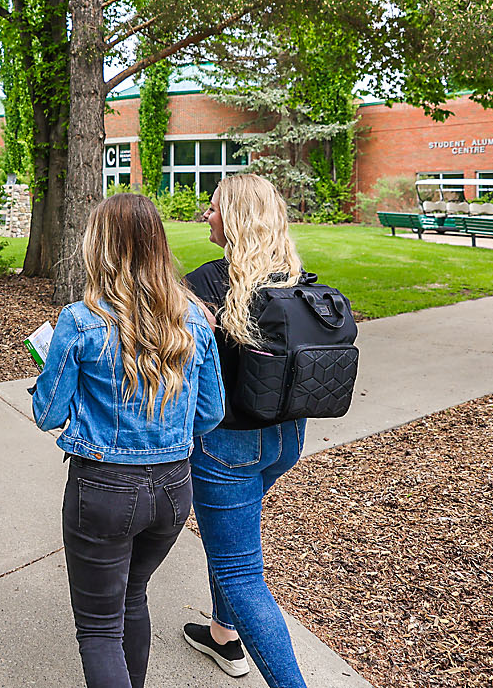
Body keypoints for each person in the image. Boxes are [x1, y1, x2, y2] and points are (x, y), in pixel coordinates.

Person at [32, 193, 224, 688]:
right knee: (132, 594)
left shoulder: (80, 320)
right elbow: (209, 414)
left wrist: (50, 382)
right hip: (173, 489)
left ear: (101, 248)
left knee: (98, 629)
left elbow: (47, 412)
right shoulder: (196, 318)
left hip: (103, 489)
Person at [180, 172, 310, 685]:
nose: (205, 215)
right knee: (230, 540)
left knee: (240, 573)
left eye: (212, 208)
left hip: (226, 446)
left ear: (232, 219)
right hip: (286, 439)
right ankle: (222, 635)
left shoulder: (207, 283)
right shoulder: (295, 278)